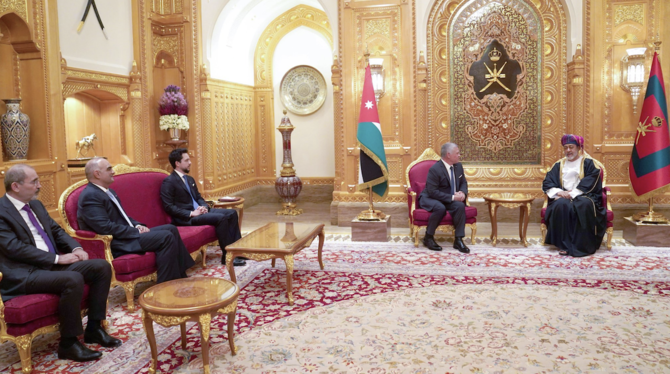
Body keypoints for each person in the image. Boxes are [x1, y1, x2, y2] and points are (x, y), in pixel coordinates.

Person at [0, 165, 121, 362]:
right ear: (15, 186)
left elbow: (56, 231)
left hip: (49, 266)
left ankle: (94, 328)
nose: (39, 185)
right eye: (34, 182)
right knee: (72, 278)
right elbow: (14, 247)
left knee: (101, 267)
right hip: (24, 273)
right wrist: (57, 258)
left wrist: (75, 249)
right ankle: (68, 344)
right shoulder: (1, 211)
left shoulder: (36, 205)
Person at [77, 158, 195, 283]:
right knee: (165, 236)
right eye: (109, 169)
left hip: (126, 235)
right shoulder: (90, 196)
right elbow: (104, 227)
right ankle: (166, 284)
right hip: (117, 242)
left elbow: (123, 216)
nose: (113, 172)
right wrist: (135, 231)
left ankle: (180, 276)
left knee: (171, 228)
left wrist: (137, 225)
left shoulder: (108, 191)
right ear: (97, 174)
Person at [160, 149, 245, 266]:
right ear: (177, 163)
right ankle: (227, 256)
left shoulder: (189, 179)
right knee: (221, 218)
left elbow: (199, 197)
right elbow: (168, 207)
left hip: (200, 211)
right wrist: (191, 213)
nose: (190, 162)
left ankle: (237, 252)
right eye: (187, 160)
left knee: (231, 213)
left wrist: (203, 206)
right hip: (186, 217)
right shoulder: (169, 182)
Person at [542, 134, 607, 257]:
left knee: (583, 205)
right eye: (565, 147)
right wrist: (560, 192)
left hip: (584, 195)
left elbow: (591, 180)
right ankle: (564, 245)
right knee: (560, 205)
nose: (568, 150)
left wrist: (573, 193)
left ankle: (581, 246)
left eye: (571, 147)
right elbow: (548, 181)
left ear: (578, 148)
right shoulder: (559, 165)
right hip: (563, 195)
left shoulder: (589, 163)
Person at [419, 142, 470, 253]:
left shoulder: (458, 166)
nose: (459, 155)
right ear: (448, 155)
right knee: (440, 208)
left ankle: (458, 239)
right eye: (457, 153)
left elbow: (463, 183)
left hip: (447, 198)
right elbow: (432, 192)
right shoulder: (435, 169)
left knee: (460, 205)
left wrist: (462, 192)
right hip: (430, 197)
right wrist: (452, 197)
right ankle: (428, 237)